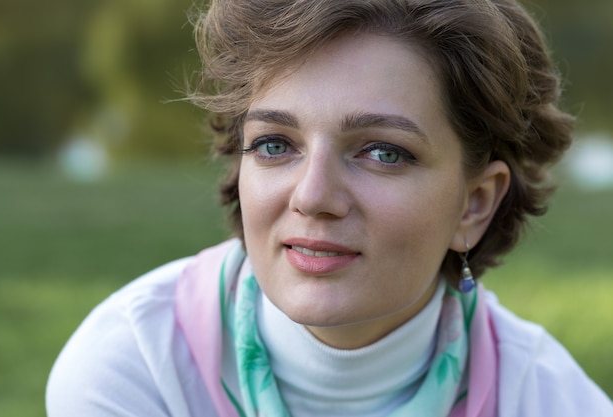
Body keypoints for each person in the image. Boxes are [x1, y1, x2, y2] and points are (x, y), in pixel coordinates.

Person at [46, 0, 613, 416]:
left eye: (384, 152)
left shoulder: (548, 400)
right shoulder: (135, 369)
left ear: (475, 203)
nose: (312, 196)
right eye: (274, 144)